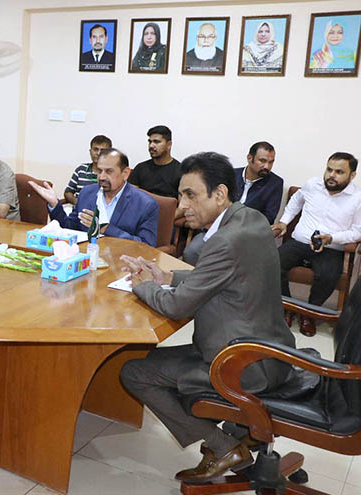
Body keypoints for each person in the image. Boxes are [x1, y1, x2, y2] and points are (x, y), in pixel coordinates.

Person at [119, 152, 295, 484]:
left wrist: (142, 285)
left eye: (191, 195)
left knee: (134, 371)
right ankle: (240, 431)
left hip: (240, 363)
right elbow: (226, 278)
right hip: (270, 350)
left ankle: (223, 446)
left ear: (220, 194)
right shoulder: (250, 219)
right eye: (181, 194)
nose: (182, 204)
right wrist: (167, 279)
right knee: (153, 360)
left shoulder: (224, 241)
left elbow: (176, 308)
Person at [273, 152, 361, 336]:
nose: (331, 175)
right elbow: (296, 201)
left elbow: (357, 231)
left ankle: (309, 314)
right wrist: (284, 222)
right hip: (300, 243)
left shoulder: (357, 198)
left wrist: (332, 238)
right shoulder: (313, 184)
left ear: (352, 175)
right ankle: (287, 307)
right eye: (329, 169)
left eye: (339, 171)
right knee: (273, 263)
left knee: (329, 275)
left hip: (330, 248)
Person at [30, 148, 158, 246]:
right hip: (86, 258)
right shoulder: (87, 193)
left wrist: (104, 228)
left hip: (121, 264)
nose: (101, 177)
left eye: (109, 171)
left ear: (125, 173)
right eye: (99, 170)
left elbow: (146, 245)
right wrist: (54, 205)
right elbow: (69, 227)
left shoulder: (145, 204)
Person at [235, 141, 283, 225]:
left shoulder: (275, 183)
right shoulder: (232, 175)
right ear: (249, 158)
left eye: (271, 162)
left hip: (249, 230)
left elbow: (269, 218)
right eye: (262, 161)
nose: (267, 166)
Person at [128, 125, 181, 199]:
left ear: (169, 145)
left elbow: (183, 205)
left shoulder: (180, 171)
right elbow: (131, 198)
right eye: (150, 142)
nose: (151, 146)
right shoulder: (140, 168)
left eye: (156, 142)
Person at [64, 135, 112, 205]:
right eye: (95, 149)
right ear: (90, 151)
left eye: (103, 150)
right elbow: (68, 192)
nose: (98, 153)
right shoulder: (81, 170)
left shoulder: (113, 173)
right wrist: (78, 204)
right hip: (79, 212)